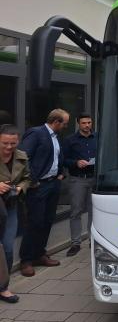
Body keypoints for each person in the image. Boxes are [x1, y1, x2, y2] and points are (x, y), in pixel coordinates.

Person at [18, 109, 69, 277]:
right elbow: (23, 158)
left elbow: (57, 157)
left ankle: (40, 254)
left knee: (47, 221)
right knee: (35, 222)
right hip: (38, 186)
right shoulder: (36, 133)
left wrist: (61, 173)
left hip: (53, 183)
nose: (66, 126)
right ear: (56, 121)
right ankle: (26, 260)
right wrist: (32, 181)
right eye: (65, 123)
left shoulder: (56, 137)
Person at [0, 124, 31, 303]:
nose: (9, 147)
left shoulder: (22, 157)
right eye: (5, 143)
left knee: (8, 247)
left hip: (10, 206)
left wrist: (20, 187)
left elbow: (28, 178)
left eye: (12, 143)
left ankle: (3, 287)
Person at [62, 114, 96, 257]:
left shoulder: (98, 138)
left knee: (94, 211)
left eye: (89, 122)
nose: (87, 125)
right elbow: (63, 159)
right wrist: (76, 163)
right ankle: (75, 243)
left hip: (95, 179)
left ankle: (93, 240)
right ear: (78, 124)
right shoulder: (70, 140)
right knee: (76, 211)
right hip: (78, 179)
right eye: (84, 123)